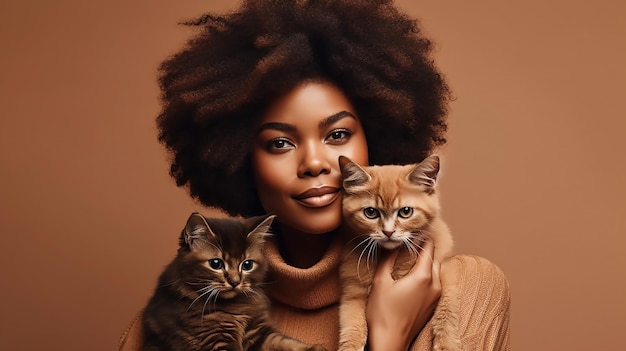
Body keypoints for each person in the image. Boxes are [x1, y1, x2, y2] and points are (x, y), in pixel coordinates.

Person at [119, 1, 510, 350]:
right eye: (279, 143)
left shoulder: (460, 290)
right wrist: (388, 340)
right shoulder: (175, 320)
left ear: (373, 141)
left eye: (337, 135)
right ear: (239, 160)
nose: (315, 162)